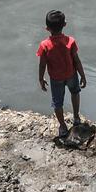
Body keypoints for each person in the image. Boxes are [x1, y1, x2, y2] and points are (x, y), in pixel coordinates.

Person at [36, 10, 87, 138]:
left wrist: (41, 79)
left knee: (57, 103)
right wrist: (83, 75)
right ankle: (76, 118)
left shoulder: (44, 45)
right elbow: (76, 60)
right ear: (65, 24)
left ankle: (63, 126)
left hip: (56, 79)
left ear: (47, 28)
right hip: (71, 75)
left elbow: (42, 64)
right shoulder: (70, 41)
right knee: (75, 93)